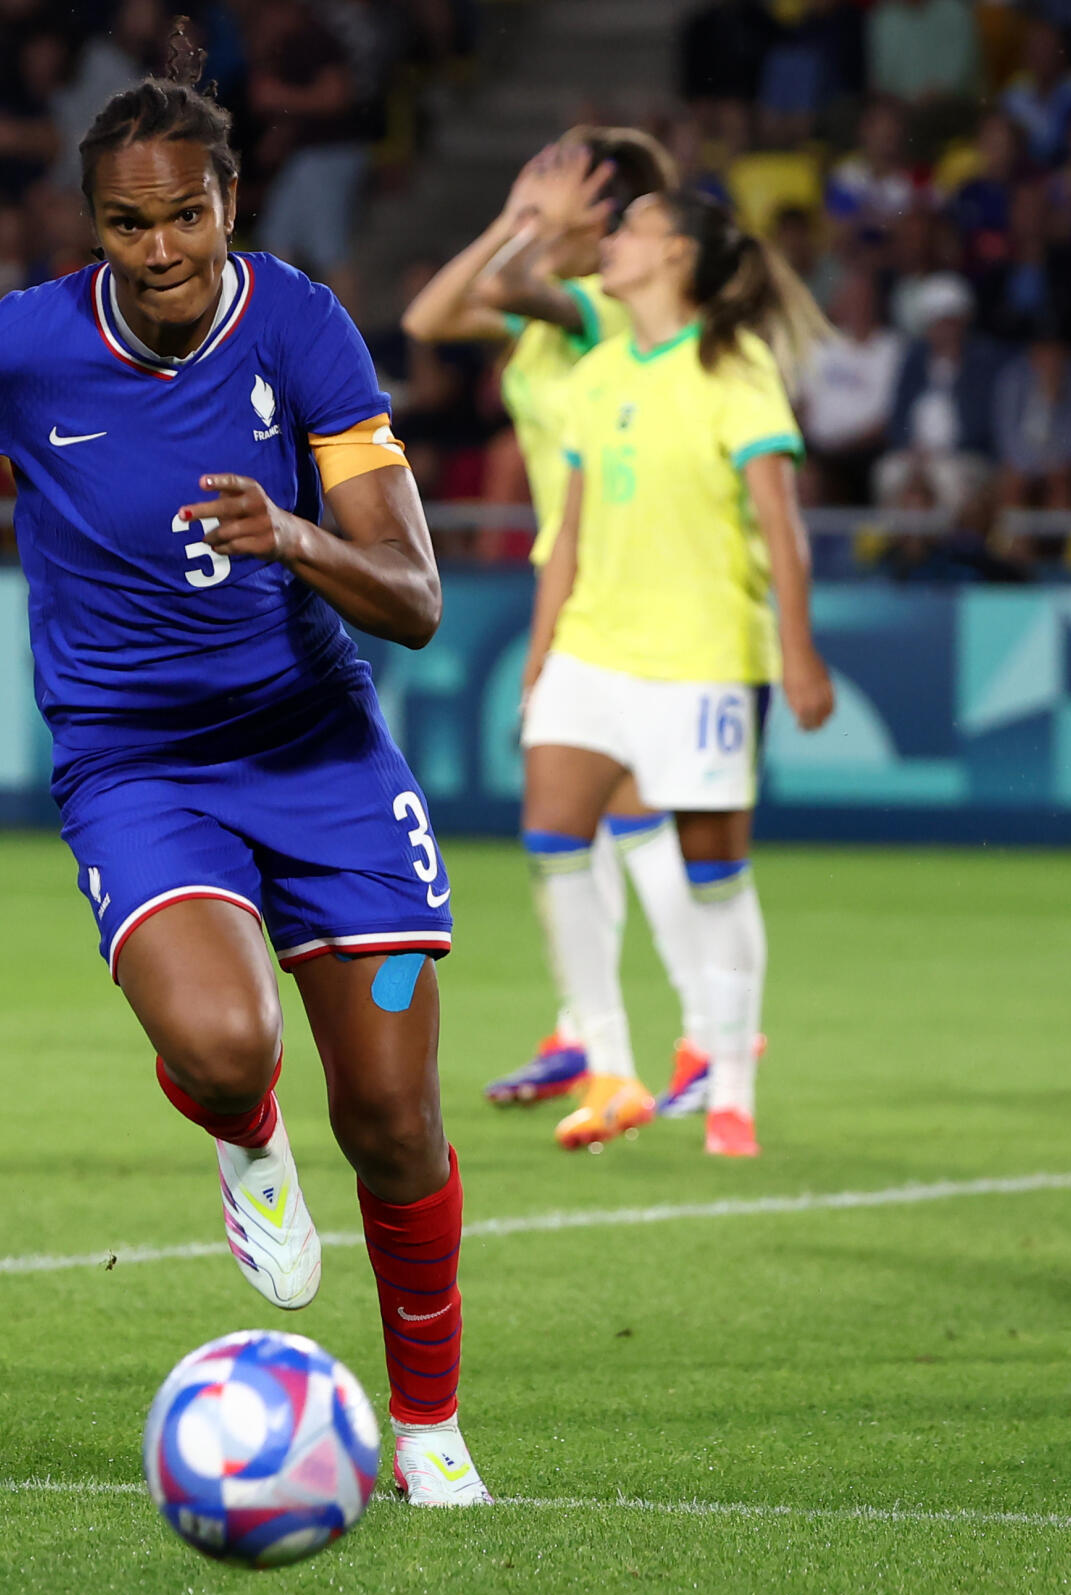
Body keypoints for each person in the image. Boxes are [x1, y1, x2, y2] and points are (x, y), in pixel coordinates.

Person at [0, 38, 489, 1506]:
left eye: (184, 218)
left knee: (393, 1119)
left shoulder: (304, 329)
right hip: (140, 767)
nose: (160, 251)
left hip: (319, 752)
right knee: (223, 1045)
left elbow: (416, 595)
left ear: (229, 204)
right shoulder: (21, 347)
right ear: (95, 229)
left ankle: (430, 1424)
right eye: (127, 226)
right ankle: (245, 1138)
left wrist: (302, 537)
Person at [400, 134, 725, 1121]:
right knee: (608, 820)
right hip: (572, 571)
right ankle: (615, 1035)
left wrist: (525, 226)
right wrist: (518, 218)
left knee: (597, 817)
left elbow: (496, 290)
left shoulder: (604, 312)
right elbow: (425, 317)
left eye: (575, 196)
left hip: (608, 580)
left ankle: (674, 1037)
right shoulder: (551, 316)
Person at [522, 186, 837, 1159]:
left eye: (629, 228)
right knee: (550, 840)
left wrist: (795, 650)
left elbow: (779, 529)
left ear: (675, 255)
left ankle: (729, 1085)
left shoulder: (733, 368)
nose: (610, 240)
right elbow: (567, 531)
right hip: (593, 645)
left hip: (701, 658)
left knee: (711, 872)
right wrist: (539, 660)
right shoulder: (599, 366)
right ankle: (610, 1068)